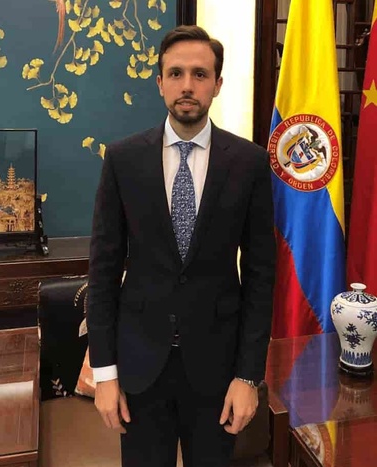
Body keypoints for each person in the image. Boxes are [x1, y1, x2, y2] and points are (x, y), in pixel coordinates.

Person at [87, 25, 275, 467]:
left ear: (217, 84)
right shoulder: (123, 160)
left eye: (199, 74)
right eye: (175, 73)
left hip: (217, 368)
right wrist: (105, 374)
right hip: (139, 368)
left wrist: (249, 375)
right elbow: (103, 272)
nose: (187, 85)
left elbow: (262, 275)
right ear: (159, 83)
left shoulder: (249, 163)